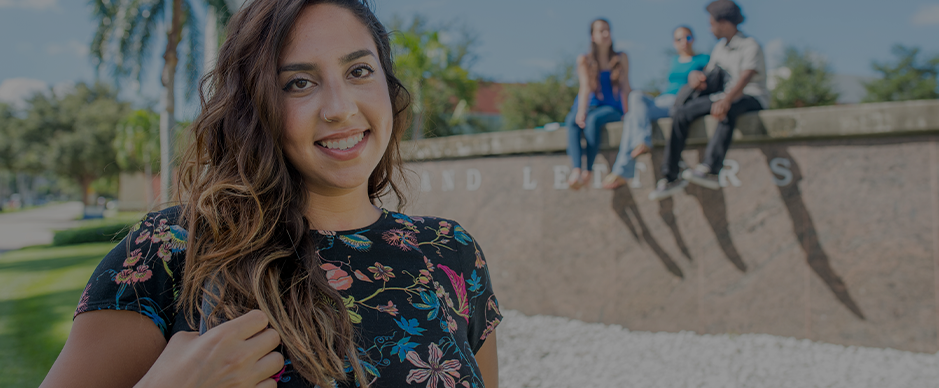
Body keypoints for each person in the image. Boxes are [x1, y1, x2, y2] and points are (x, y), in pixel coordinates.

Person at [40, 1, 502, 388]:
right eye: (299, 82)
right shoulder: (174, 248)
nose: (340, 109)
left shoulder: (450, 250)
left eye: (359, 70)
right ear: (253, 107)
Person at [649, 0, 769, 201]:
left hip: (751, 95)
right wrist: (697, 78)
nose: (709, 28)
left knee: (727, 110)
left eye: (711, 23)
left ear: (723, 22)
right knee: (682, 113)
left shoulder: (750, 45)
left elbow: (746, 77)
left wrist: (727, 99)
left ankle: (711, 169)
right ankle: (670, 176)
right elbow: (712, 76)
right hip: (723, 96)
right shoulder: (720, 48)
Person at [601, 26, 709, 189]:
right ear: (674, 43)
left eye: (687, 37)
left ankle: (622, 170)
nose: (683, 42)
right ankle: (640, 144)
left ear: (693, 39)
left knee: (631, 118)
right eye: (679, 39)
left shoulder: (703, 59)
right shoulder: (674, 61)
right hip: (663, 100)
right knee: (635, 97)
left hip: (680, 102)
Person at [565, 18, 631, 190]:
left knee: (593, 122)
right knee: (572, 121)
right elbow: (585, 87)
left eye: (607, 30)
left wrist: (628, 112)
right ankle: (576, 169)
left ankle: (588, 170)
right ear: (592, 36)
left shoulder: (620, 58)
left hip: (611, 108)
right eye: (601, 31)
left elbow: (625, 87)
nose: (606, 34)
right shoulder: (584, 59)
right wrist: (581, 110)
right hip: (589, 104)